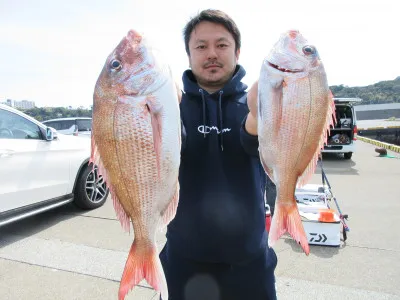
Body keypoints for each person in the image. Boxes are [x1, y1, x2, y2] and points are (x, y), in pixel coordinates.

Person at [159, 9, 278, 300]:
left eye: (221, 45)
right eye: (201, 46)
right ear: (188, 55)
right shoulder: (170, 108)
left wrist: (256, 116)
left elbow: (260, 147)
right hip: (182, 262)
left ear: (237, 51)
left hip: (250, 263)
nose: (211, 53)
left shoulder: (259, 101)